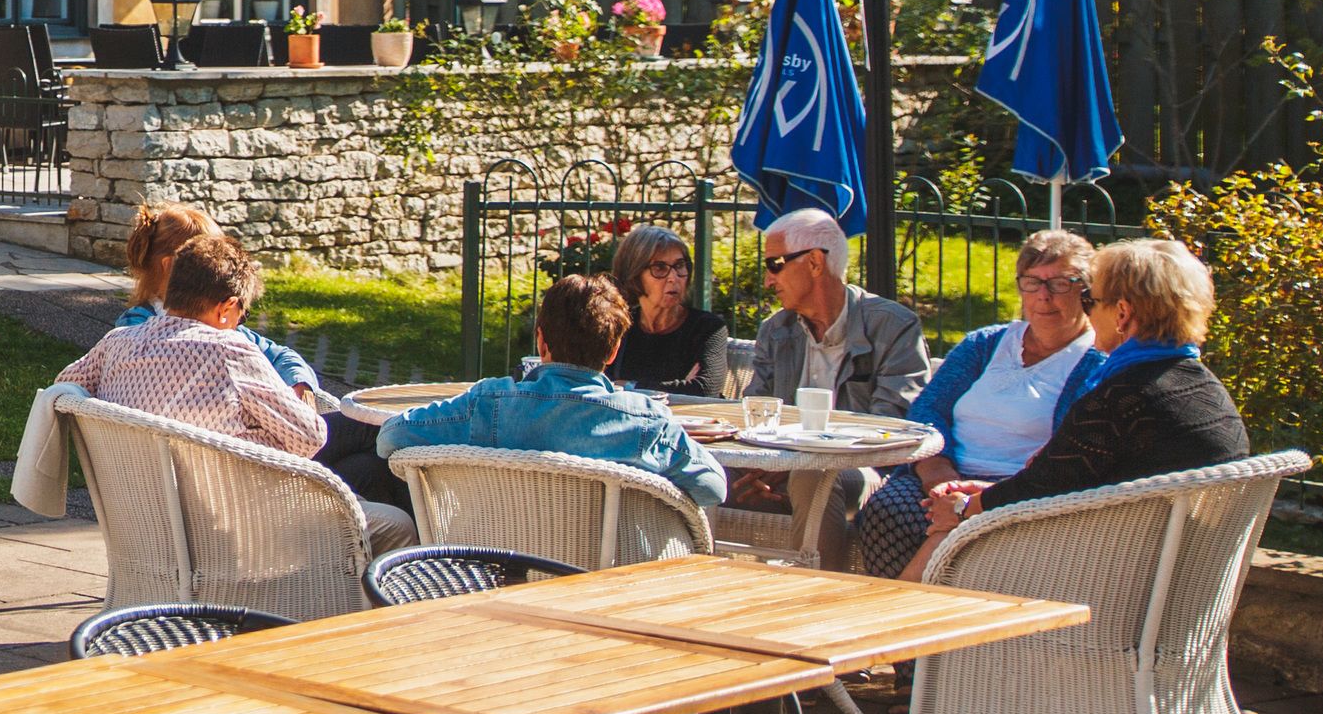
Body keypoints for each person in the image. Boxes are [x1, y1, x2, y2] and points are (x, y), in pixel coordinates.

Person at [896, 236, 1251, 580]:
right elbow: (1057, 475)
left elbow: (1045, 488)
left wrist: (960, 509)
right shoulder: (1203, 387)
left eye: (1089, 300)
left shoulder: (1122, 397)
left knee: (944, 541)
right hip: (1175, 576)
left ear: (1122, 313)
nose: (1086, 312)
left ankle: (896, 631)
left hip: (1106, 581)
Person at [846, 230, 1102, 576]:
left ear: (1085, 290)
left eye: (1059, 283)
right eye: (1032, 282)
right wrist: (939, 475)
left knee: (962, 527)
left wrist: (977, 498)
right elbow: (927, 411)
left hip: (1016, 491)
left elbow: (1068, 452)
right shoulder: (985, 344)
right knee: (888, 511)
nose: (1043, 296)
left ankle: (904, 613)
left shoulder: (1095, 361)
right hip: (943, 476)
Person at [374, 273, 727, 507]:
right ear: (614, 350)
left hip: (494, 563)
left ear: (541, 341)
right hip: (608, 574)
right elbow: (713, 487)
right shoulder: (646, 422)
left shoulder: (491, 404)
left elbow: (390, 438)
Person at [54, 232, 327, 459]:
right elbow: (310, 437)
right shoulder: (231, 352)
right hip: (234, 511)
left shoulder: (116, 342)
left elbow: (64, 389)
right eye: (243, 315)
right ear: (227, 307)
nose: (240, 323)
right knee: (360, 442)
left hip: (138, 502)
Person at [748, 208, 932, 417]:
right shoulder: (776, 330)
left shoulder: (893, 327)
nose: (768, 281)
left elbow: (891, 423)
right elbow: (755, 413)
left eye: (775, 265)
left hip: (862, 449)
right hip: (784, 449)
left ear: (815, 262)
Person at [603, 222, 727, 394]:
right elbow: (600, 385)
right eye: (659, 268)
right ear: (634, 275)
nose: (673, 277)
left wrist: (630, 386)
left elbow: (706, 389)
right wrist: (681, 387)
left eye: (679, 266)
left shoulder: (707, 327)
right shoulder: (619, 325)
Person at [112, 203, 216, 330]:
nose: (219, 275)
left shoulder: (222, 319)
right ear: (170, 266)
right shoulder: (136, 326)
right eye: (209, 265)